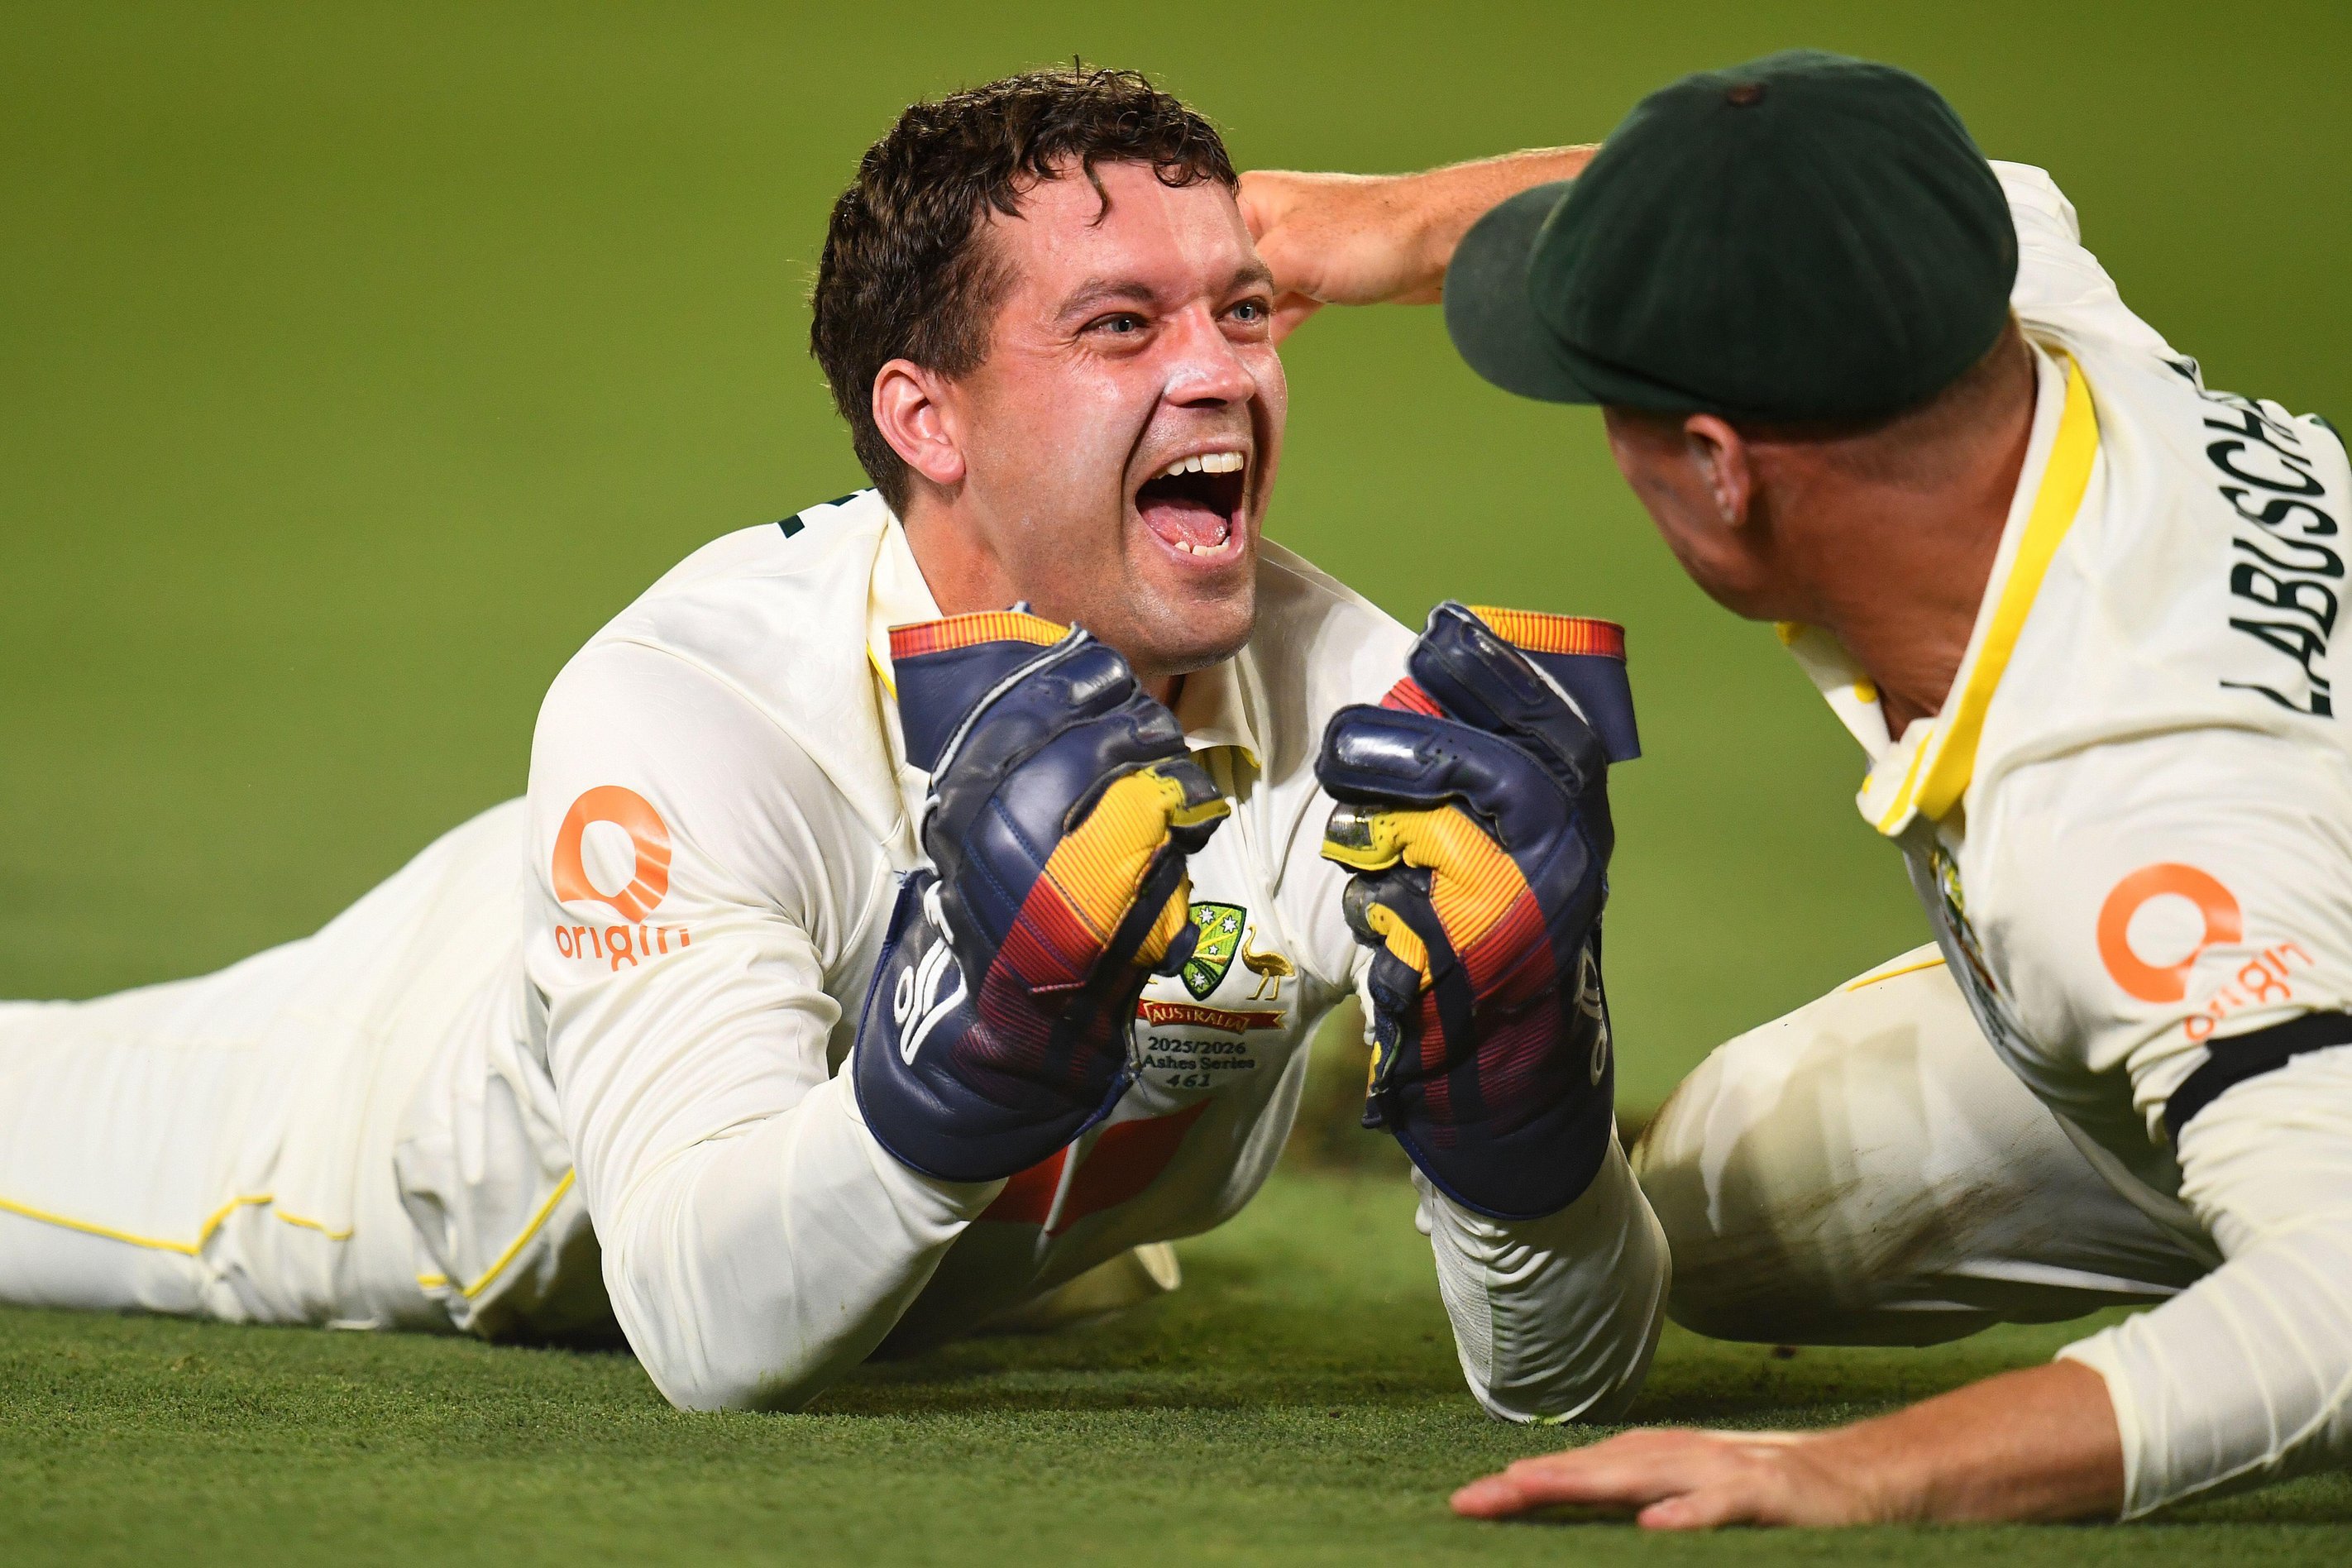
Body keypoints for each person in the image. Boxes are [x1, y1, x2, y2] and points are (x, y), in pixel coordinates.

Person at [0, 65, 1670, 1418]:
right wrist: (977, 1066)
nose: (1221, 375)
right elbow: (702, 1330)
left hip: (929, 1242)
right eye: (1119, 328)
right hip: (406, 1121)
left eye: (1239, 312)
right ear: (922, 415)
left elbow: (1562, 1375)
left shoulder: (1354, 713)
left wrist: (1525, 1129)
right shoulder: (696, 710)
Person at [1242, 49, 2352, 1525]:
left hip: (2246, 916)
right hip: (2256, 893)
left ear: (1719, 467)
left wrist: (1855, 1468)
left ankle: (2260, 1142)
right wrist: (1394, 227)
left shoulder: (2128, 822)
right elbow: (1928, 188)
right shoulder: (2004, 318)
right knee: (1728, 1207)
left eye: (1607, 399)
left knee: (2292, 1263)